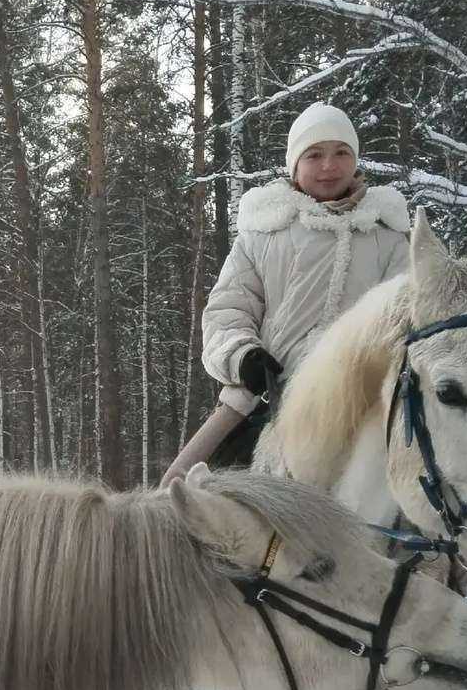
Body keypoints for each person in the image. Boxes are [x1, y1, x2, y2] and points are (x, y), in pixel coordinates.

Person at [161, 102, 410, 486]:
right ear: (294, 165)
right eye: (314, 155)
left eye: (341, 153)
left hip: (363, 402)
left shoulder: (387, 237)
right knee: (183, 490)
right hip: (267, 397)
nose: (329, 165)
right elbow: (227, 310)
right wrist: (243, 356)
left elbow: (409, 316)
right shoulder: (264, 233)